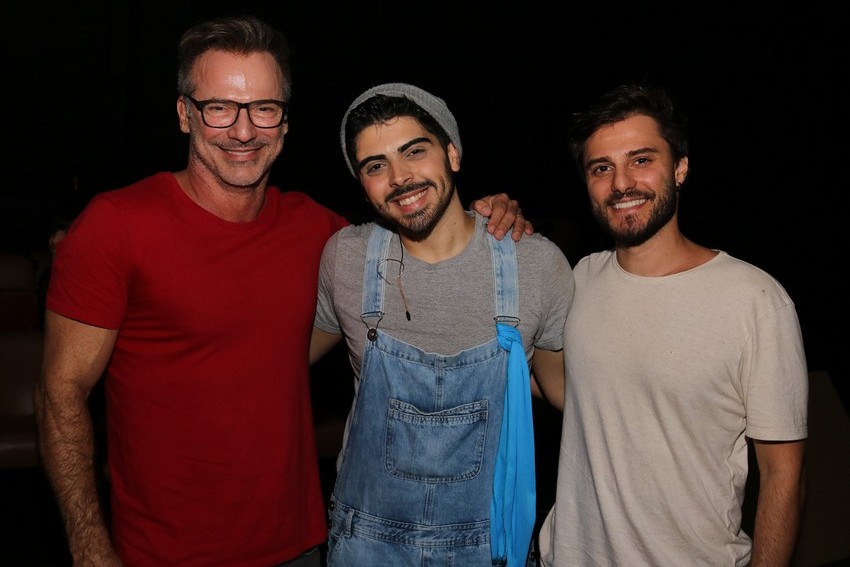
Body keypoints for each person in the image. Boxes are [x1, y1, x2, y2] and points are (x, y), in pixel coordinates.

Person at [33, 16, 529, 567]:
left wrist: (488, 218)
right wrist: (88, 548)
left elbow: (421, 238)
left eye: (264, 108)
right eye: (219, 106)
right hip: (162, 552)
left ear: (285, 122)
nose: (243, 131)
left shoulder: (323, 236)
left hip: (302, 546)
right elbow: (60, 392)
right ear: (184, 114)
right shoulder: (115, 226)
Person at [537, 84, 808, 566]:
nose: (621, 184)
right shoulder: (577, 280)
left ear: (680, 168)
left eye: (641, 159)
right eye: (602, 168)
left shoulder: (755, 300)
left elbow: (783, 473)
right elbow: (567, 390)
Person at [309, 83, 574, 566]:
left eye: (415, 151)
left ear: (452, 153)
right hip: (365, 545)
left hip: (487, 547)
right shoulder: (346, 259)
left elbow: (566, 392)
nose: (400, 178)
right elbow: (276, 352)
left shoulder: (534, 266)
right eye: (375, 165)